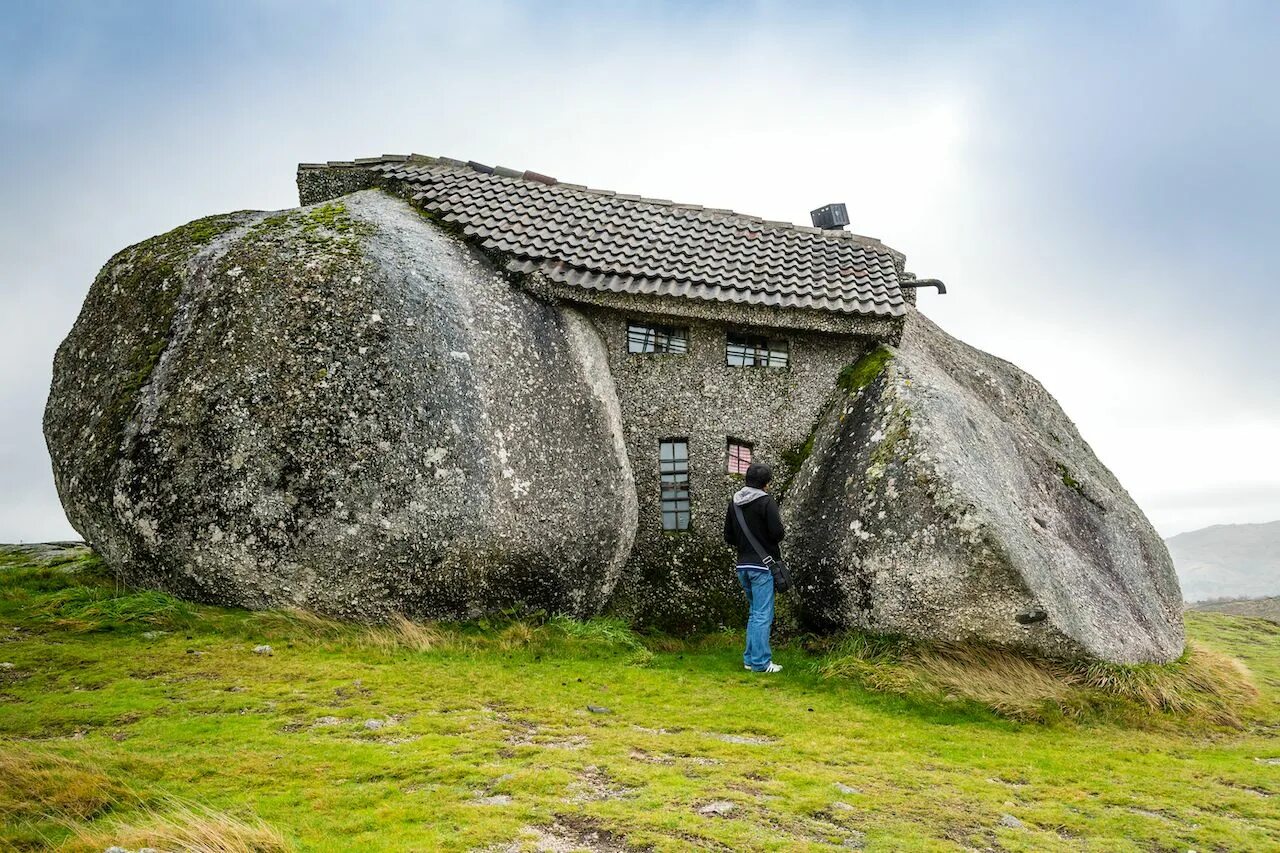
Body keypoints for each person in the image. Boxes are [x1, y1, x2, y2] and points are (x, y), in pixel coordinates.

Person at [723, 462, 785, 673]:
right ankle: (760, 662)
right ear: (766, 483)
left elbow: (728, 536)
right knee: (762, 615)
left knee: (754, 613)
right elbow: (778, 533)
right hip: (762, 566)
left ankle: (750, 659)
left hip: (743, 565)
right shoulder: (766, 502)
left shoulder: (734, 502)